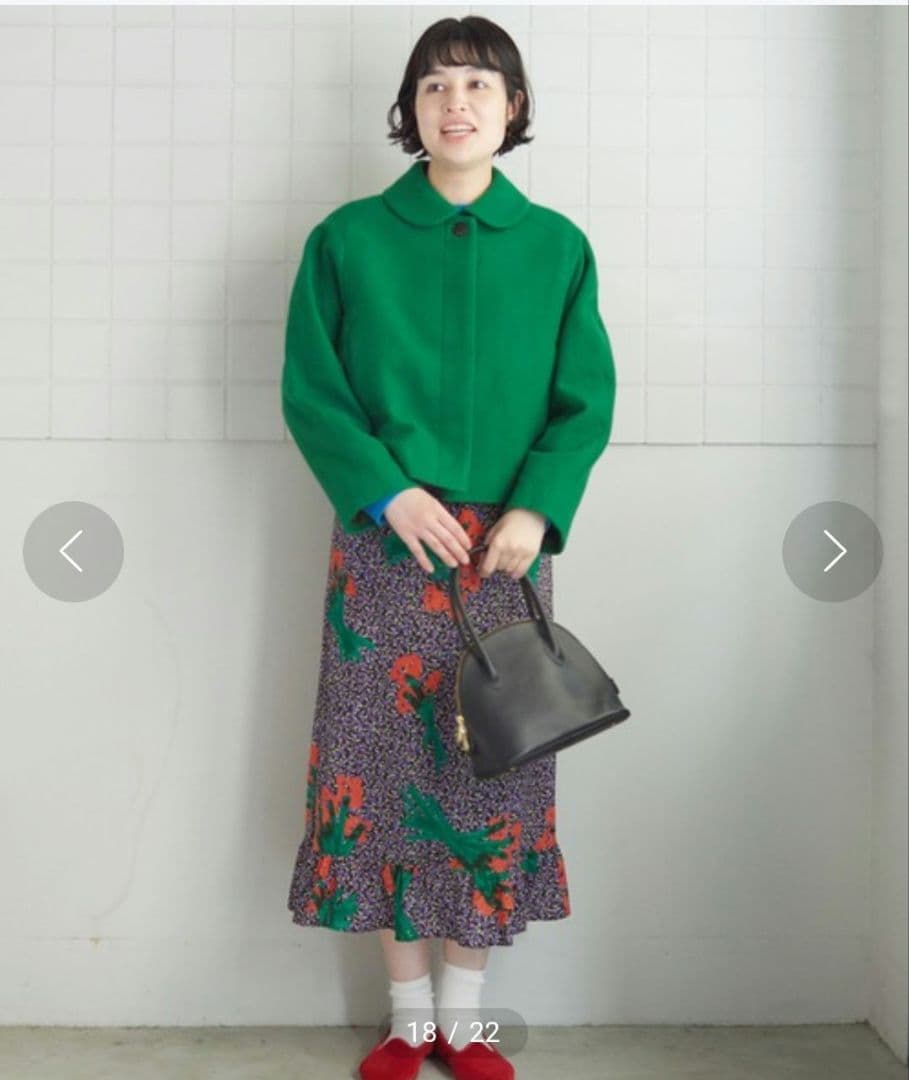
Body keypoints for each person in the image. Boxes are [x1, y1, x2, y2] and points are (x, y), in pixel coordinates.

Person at [282, 15, 616, 1080]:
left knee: (494, 770)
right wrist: (387, 492)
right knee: (375, 772)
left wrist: (535, 510)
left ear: (513, 108)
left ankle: (466, 1021)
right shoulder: (347, 241)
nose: (455, 103)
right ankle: (408, 1020)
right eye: (433, 85)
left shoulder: (557, 247)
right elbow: (313, 392)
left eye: (477, 84)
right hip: (385, 550)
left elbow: (584, 400)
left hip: (505, 555)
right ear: (409, 109)